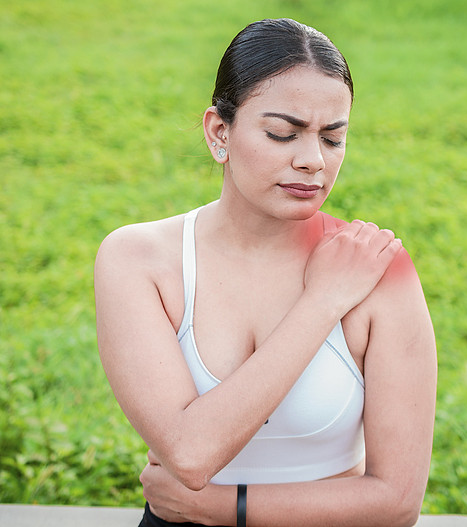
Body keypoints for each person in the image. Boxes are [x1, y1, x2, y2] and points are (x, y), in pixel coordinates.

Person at [94, 18, 437, 527]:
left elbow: (397, 500)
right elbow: (189, 454)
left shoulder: (376, 268)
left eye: (333, 138)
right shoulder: (139, 260)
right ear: (220, 132)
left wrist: (222, 507)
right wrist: (321, 303)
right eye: (283, 134)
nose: (313, 161)